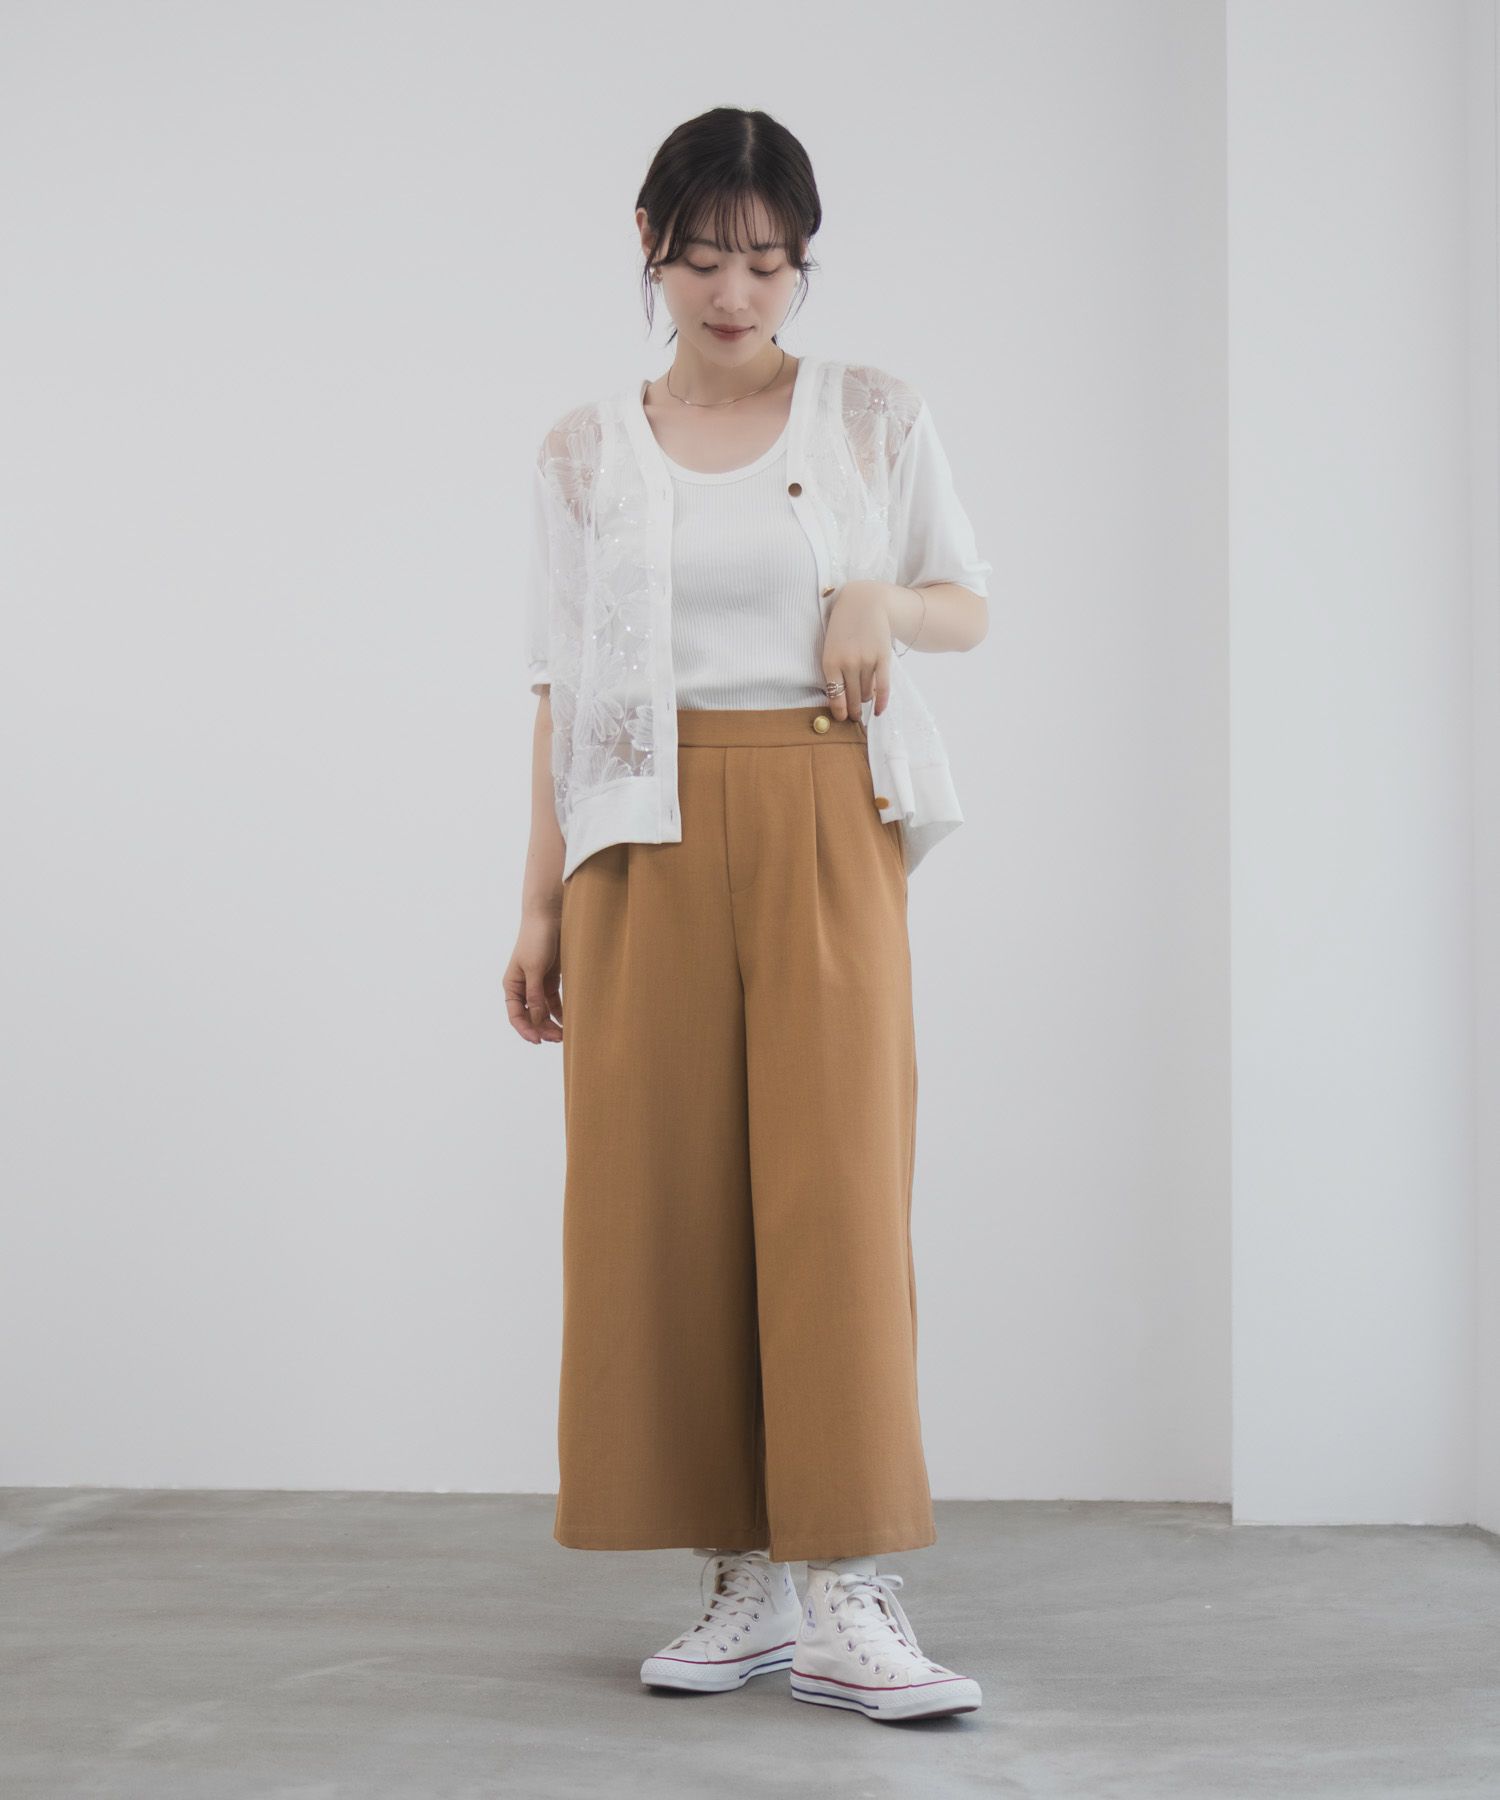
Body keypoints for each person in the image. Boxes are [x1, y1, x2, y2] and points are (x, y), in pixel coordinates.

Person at [506, 107, 992, 1725]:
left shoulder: (872, 414)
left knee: (834, 1192)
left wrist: (878, 598)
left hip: (822, 808)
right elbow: (561, 686)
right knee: (666, 1203)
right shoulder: (585, 450)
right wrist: (536, 905)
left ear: (803, 264)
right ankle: (742, 1579)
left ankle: (847, 1581)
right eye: (705, 256)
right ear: (648, 244)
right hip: (635, 832)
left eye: (769, 262)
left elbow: (965, 602)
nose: (735, 292)